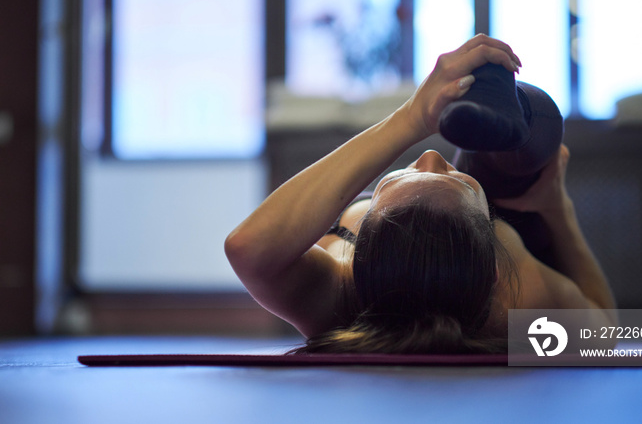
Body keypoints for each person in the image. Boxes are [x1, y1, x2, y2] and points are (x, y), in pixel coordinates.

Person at [225, 34, 617, 354]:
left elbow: (247, 247)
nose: (430, 154)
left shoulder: (334, 294)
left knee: (480, 168)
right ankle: (506, 156)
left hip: (447, 229)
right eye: (455, 177)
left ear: (358, 249)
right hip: (517, 214)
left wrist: (413, 117)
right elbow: (606, 329)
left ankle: (481, 162)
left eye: (394, 182)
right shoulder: (512, 299)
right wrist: (556, 208)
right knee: (529, 151)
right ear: (493, 267)